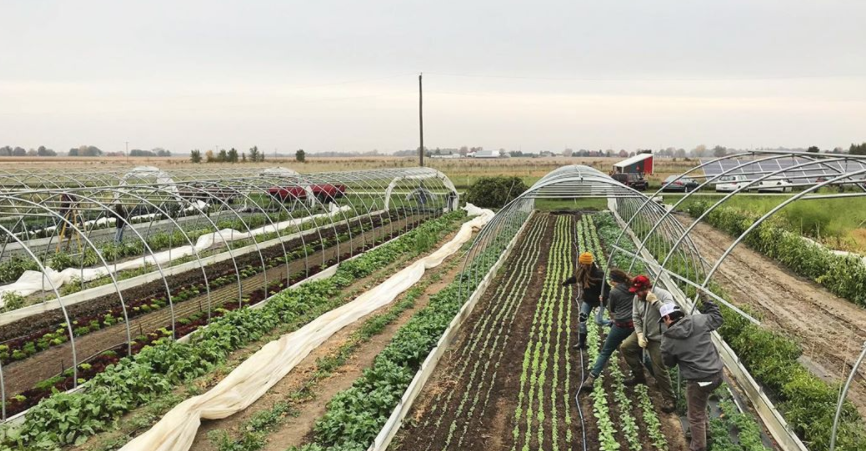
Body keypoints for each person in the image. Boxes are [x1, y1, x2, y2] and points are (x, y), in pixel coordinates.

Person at [660, 294, 724, 451]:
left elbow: (669, 363)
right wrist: (707, 300)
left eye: (663, 320)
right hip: (717, 375)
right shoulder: (699, 320)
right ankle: (705, 431)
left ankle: (698, 446)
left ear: (667, 317)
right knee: (700, 404)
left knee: (695, 415)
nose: (663, 324)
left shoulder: (668, 339)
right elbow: (717, 318)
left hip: (699, 381)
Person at [620, 275, 677, 413]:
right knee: (626, 347)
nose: (637, 294)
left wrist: (656, 302)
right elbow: (635, 317)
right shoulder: (637, 298)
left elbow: (673, 315)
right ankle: (639, 376)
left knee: (659, 368)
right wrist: (639, 334)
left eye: (639, 291)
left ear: (647, 288)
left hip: (659, 338)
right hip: (644, 333)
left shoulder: (663, 295)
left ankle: (670, 399)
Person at [579, 268, 633, 389]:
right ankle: (655, 376)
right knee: (640, 352)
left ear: (614, 281)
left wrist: (604, 300)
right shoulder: (632, 288)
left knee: (606, 351)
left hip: (620, 325)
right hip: (634, 325)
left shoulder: (615, 292)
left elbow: (612, 308)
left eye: (610, 280)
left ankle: (591, 379)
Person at [562, 252, 611, 349]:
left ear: (588, 264)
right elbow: (575, 278)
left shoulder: (598, 274)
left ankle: (612, 323)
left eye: (583, 263)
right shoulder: (582, 272)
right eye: (581, 263)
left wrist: (604, 296)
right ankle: (581, 343)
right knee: (582, 320)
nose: (581, 265)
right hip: (587, 301)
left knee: (599, 321)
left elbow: (607, 288)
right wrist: (566, 282)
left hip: (599, 302)